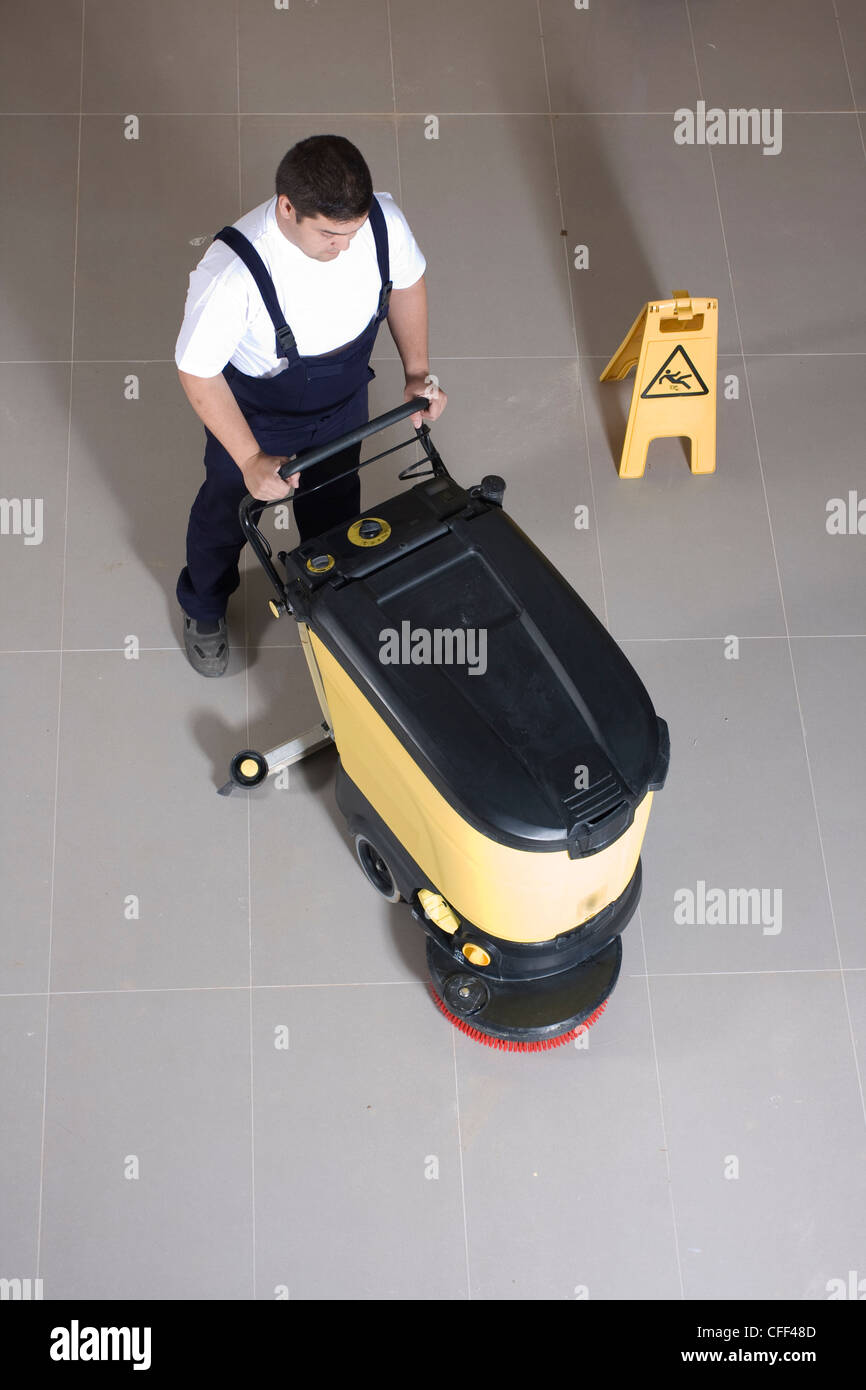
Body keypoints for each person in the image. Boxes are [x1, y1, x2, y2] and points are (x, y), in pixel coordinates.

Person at [174, 133, 447, 676]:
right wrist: (251, 459)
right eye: (328, 234)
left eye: (352, 232)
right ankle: (204, 606)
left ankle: (330, 596)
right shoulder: (232, 274)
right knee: (228, 513)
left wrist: (417, 374)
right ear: (287, 207)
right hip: (257, 417)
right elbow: (197, 371)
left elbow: (407, 285)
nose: (343, 248)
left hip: (343, 399)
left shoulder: (383, 223)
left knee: (335, 502)